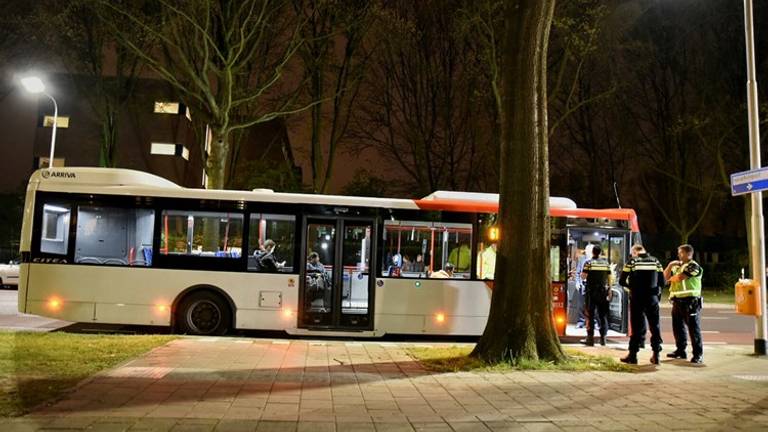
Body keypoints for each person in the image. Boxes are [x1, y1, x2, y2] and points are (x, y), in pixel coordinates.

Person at [618, 244, 665, 365]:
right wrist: (656, 294)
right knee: (655, 327)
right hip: (652, 298)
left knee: (636, 327)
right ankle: (656, 355)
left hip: (637, 298)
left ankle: (633, 355)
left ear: (634, 252)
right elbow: (662, 282)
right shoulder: (656, 261)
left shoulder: (632, 261)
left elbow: (621, 281)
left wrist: (632, 288)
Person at [664, 244, 704, 364]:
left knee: (693, 329)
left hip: (690, 301)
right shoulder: (677, 266)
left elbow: (680, 278)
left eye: (681, 252)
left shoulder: (693, 266)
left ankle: (698, 355)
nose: (678, 255)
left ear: (689, 254)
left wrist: (669, 279)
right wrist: (670, 265)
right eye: (678, 252)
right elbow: (664, 277)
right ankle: (680, 351)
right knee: (678, 328)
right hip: (677, 301)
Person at [581, 245, 611, 346]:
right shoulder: (606, 263)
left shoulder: (588, 263)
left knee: (590, 314)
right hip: (603, 292)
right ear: (600, 252)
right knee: (602, 315)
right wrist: (609, 289)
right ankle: (603, 338)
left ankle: (590, 339)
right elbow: (609, 277)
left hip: (591, 291)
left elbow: (583, 276)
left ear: (593, 252)